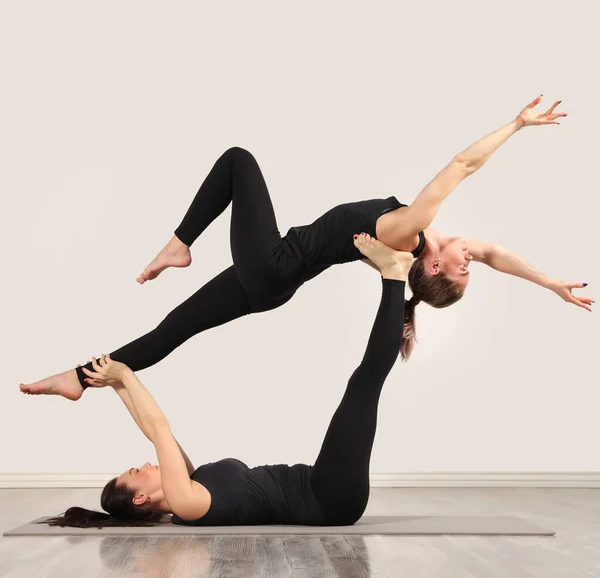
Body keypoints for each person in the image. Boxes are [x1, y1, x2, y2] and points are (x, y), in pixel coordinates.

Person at [20, 96, 591, 402]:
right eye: (472, 268)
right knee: (173, 329)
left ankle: (179, 245)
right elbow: (498, 254)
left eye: (463, 271)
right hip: (272, 284)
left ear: (433, 266)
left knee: (239, 160)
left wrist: (515, 125)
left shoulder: (411, 229)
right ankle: (78, 376)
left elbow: (463, 165)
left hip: (272, 266)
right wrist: (551, 284)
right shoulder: (422, 244)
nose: (475, 261)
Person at [44, 236, 411, 528]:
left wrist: (115, 384)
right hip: (331, 499)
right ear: (140, 498)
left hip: (321, 485)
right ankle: (393, 277)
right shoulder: (187, 504)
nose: (146, 465)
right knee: (364, 383)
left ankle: (393, 277)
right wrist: (123, 372)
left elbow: (152, 430)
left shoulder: (188, 484)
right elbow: (159, 429)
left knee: (363, 383)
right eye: (137, 472)